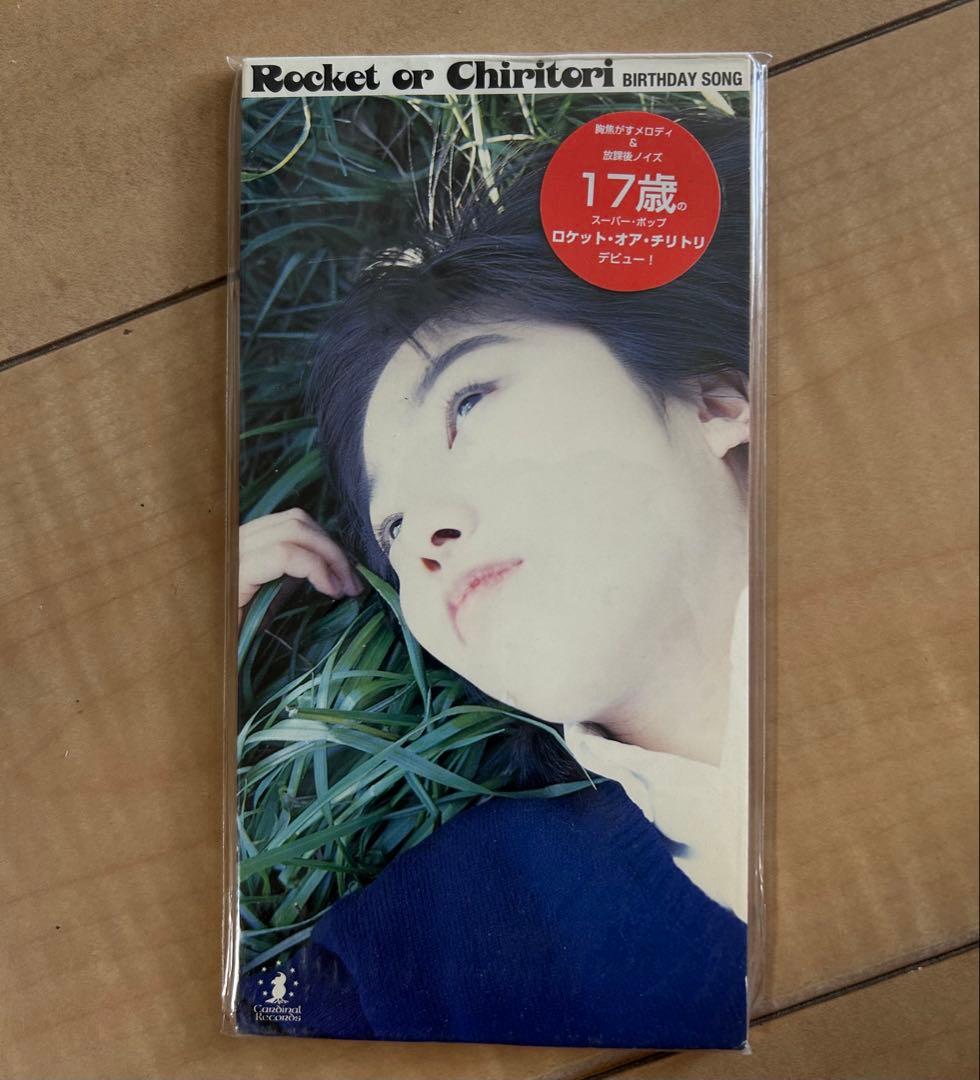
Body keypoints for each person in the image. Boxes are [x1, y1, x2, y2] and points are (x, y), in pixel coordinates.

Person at [236, 115, 753, 1047]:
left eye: (469, 404)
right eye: (391, 530)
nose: (424, 539)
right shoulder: (431, 947)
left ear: (714, 400)